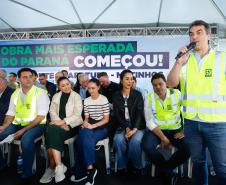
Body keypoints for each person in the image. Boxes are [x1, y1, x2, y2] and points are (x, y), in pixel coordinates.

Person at [167, 20, 226, 185]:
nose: (194, 36)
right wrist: (178, 62)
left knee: (222, 168)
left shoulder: (222, 58)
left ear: (208, 35)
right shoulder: (185, 61)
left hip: (217, 123)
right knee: (198, 164)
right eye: (191, 34)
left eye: (199, 32)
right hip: (192, 123)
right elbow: (170, 84)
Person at [0, 68, 50, 184]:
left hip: (37, 125)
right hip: (17, 124)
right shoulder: (15, 93)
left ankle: (27, 173)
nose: (28, 79)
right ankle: (1, 165)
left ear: (34, 78)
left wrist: (23, 130)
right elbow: (10, 113)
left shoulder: (41, 93)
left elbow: (41, 117)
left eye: (30, 76)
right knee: (1, 133)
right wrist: (4, 126)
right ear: (19, 79)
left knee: (26, 140)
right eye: (24, 77)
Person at [142, 73, 190, 185]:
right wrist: (163, 138)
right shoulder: (149, 97)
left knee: (187, 150)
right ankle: (167, 170)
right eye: (155, 85)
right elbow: (149, 121)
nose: (158, 87)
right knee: (146, 146)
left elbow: (188, 111)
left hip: (176, 130)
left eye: (160, 84)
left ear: (166, 84)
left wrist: (184, 130)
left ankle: (165, 169)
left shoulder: (176, 94)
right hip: (157, 131)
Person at [39, 77, 83, 183]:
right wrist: (60, 123)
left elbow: (77, 115)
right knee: (52, 130)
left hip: (72, 126)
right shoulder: (56, 96)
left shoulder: (76, 96)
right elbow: (52, 111)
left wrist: (64, 122)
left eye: (67, 84)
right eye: (63, 85)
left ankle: (51, 167)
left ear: (70, 84)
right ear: (59, 87)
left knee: (51, 131)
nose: (66, 87)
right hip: (59, 125)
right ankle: (59, 166)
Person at [71, 78, 110, 185]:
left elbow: (106, 119)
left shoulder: (104, 99)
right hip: (90, 125)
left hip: (102, 127)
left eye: (93, 88)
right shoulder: (87, 100)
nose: (91, 91)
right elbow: (87, 118)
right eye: (89, 88)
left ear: (98, 87)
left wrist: (92, 126)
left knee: (80, 140)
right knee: (82, 138)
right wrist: (85, 123)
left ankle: (81, 170)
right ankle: (90, 169)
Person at [112, 69, 146, 174]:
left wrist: (134, 129)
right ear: (121, 80)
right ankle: (122, 165)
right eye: (127, 79)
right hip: (122, 125)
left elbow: (140, 113)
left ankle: (136, 165)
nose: (130, 81)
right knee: (118, 140)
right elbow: (117, 115)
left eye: (131, 79)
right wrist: (126, 128)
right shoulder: (116, 95)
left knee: (135, 141)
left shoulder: (137, 94)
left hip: (138, 125)